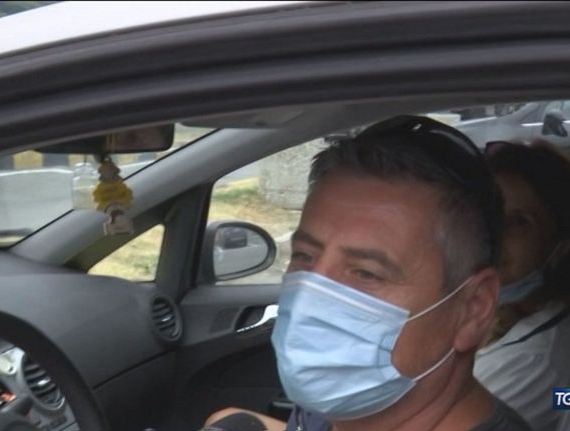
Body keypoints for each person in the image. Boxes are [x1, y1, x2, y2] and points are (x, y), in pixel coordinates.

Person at [203, 115, 530, 431]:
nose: (309, 298)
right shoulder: (360, 412)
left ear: (473, 309)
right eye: (305, 256)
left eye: (365, 273)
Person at [474, 140, 570, 431]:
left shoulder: (536, 364)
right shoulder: (488, 315)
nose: (494, 234)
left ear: (560, 248)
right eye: (488, 214)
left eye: (519, 222)